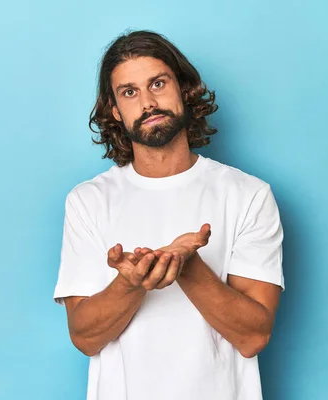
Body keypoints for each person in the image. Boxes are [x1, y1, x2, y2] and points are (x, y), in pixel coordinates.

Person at [53, 30, 284, 400]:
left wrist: (189, 268)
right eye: (129, 92)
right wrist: (129, 285)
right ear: (114, 109)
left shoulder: (249, 195)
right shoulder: (88, 201)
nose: (147, 102)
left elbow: (254, 336)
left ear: (183, 89)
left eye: (157, 83)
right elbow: (85, 337)